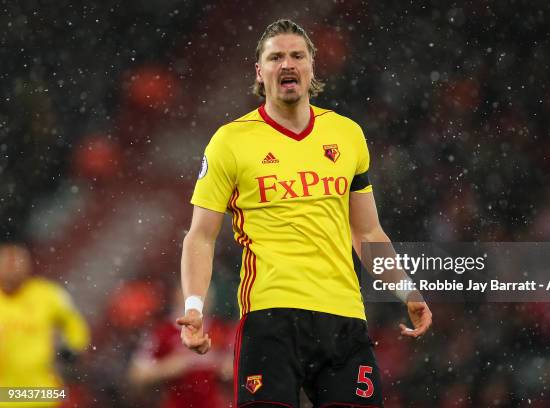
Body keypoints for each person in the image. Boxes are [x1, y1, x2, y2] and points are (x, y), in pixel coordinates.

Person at [177, 19, 432, 407]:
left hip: (343, 317)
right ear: (259, 72)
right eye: (275, 57)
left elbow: (366, 232)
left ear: (312, 67)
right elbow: (201, 235)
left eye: (297, 55)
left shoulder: (347, 135)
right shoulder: (230, 142)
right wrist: (194, 307)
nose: (287, 64)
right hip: (269, 318)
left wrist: (406, 290)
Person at [0, 242, 90, 407]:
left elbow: (74, 322)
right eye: (7, 263)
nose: (12, 269)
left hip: (41, 387)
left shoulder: (47, 294)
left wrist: (73, 347)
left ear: (28, 265)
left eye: (17, 263)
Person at [128, 286, 233, 407]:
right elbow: (137, 374)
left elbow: (235, 367)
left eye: (206, 294)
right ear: (178, 296)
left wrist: (225, 366)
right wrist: (167, 368)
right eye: (196, 295)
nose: (203, 299)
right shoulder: (162, 332)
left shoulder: (221, 329)